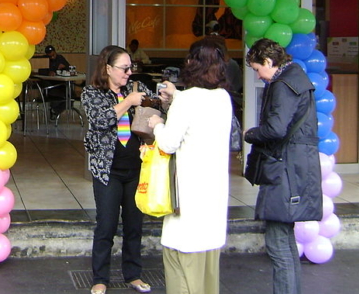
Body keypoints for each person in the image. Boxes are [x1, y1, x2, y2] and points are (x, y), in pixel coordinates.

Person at [147, 37, 232, 294]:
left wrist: (156, 124)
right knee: (207, 272)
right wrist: (176, 96)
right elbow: (199, 112)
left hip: (189, 194)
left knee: (181, 266)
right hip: (214, 196)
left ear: (191, 64)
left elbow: (169, 143)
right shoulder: (223, 98)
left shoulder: (186, 101)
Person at [244, 38, 323, 294]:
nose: (259, 75)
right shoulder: (296, 78)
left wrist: (251, 134)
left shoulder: (282, 84)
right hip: (296, 168)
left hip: (284, 170)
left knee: (278, 245)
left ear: (268, 61)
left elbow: (276, 129)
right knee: (286, 243)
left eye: (258, 69)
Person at [81, 45, 160, 294]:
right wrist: (128, 102)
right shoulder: (92, 93)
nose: (128, 73)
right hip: (108, 170)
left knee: (134, 225)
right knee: (106, 225)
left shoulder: (136, 89)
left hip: (136, 168)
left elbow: (157, 109)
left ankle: (133, 274)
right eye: (124, 68)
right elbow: (101, 119)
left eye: (130, 68)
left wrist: (163, 100)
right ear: (108, 68)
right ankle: (100, 279)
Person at [44, 45, 71, 119]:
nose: (52, 57)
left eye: (53, 55)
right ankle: (55, 110)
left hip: (62, 83)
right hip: (51, 85)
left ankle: (56, 110)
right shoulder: (44, 60)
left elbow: (69, 67)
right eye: (50, 56)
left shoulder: (60, 58)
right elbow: (41, 70)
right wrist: (48, 72)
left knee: (70, 94)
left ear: (55, 52)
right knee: (57, 95)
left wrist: (64, 67)